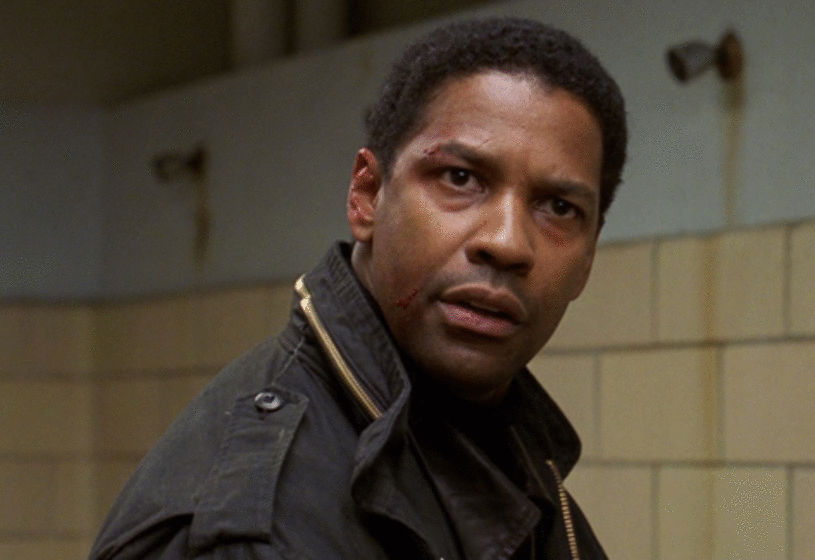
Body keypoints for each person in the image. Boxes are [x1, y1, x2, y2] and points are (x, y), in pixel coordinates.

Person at [90, 16, 626, 559]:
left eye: (559, 208)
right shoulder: (252, 529)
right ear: (367, 197)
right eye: (460, 178)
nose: (508, 243)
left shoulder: (512, 462)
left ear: (588, 257)